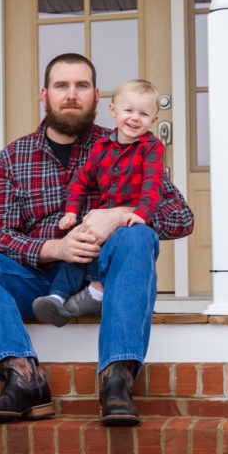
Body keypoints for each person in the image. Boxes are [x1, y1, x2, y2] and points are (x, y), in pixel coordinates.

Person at [0, 54, 193, 427]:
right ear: (45, 95)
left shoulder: (130, 145)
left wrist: (116, 214)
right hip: (37, 281)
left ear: (96, 97)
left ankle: (116, 379)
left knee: (137, 235)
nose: (71, 95)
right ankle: (23, 378)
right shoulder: (14, 156)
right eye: (62, 86)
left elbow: (181, 218)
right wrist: (54, 248)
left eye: (81, 86)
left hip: (102, 279)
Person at [33, 79, 165, 327]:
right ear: (113, 110)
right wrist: (71, 211)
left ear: (154, 121)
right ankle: (56, 297)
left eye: (144, 114)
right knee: (81, 242)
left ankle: (96, 291)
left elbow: (152, 184)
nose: (135, 118)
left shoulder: (151, 148)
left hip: (129, 222)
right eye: (128, 110)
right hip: (102, 217)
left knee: (121, 242)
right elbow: (81, 181)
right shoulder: (101, 147)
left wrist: (142, 214)